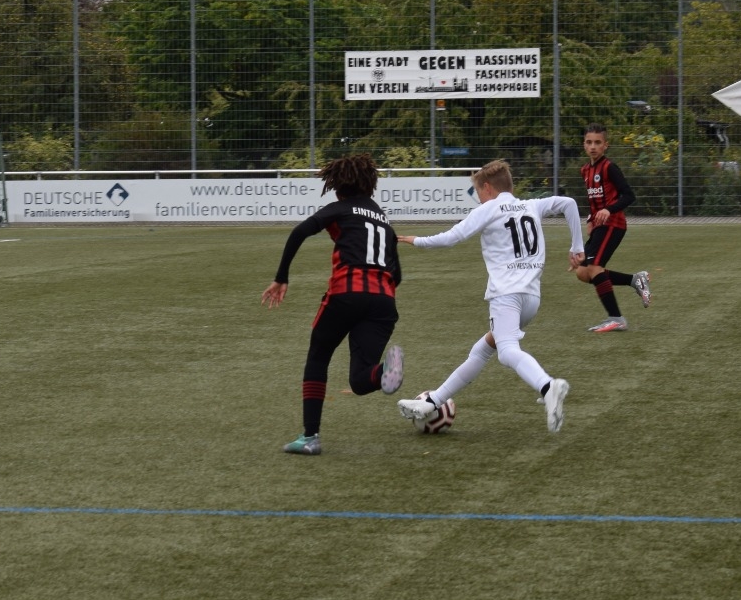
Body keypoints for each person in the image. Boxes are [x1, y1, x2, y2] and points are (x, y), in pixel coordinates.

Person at [396, 159, 582, 434]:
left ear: (487, 188)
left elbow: (451, 237)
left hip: (506, 296)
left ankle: (548, 386)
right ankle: (432, 402)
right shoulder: (531, 205)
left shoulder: (490, 208)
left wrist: (416, 240)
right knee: (483, 349)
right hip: (531, 298)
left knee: (507, 352)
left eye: (478, 193)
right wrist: (577, 246)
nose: (479, 199)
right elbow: (569, 204)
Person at [261, 151, 405, 456]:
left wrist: (281, 276)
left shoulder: (340, 208)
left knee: (319, 355)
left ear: (338, 185)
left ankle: (310, 437)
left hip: (346, 293)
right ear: (370, 184)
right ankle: (383, 374)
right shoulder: (384, 220)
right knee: (360, 379)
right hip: (384, 302)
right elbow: (397, 274)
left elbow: (300, 231)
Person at [575, 124, 650, 332]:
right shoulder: (585, 170)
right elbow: (592, 200)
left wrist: (609, 210)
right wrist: (591, 218)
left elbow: (629, 195)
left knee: (593, 268)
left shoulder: (609, 168)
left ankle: (617, 319)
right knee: (582, 272)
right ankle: (635, 280)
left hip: (613, 224)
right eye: (589, 142)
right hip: (600, 225)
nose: (593, 147)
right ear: (584, 144)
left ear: (605, 145)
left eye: (598, 143)